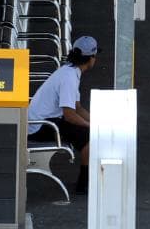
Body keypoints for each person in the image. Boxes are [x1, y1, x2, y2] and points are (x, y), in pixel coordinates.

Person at [27, 35, 97, 195]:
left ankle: (85, 182)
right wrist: (91, 126)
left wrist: (97, 121)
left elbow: (77, 107)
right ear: (91, 58)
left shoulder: (70, 71)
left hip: (42, 120)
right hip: (40, 126)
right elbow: (69, 115)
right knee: (91, 139)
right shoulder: (69, 78)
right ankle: (83, 185)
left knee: (89, 132)